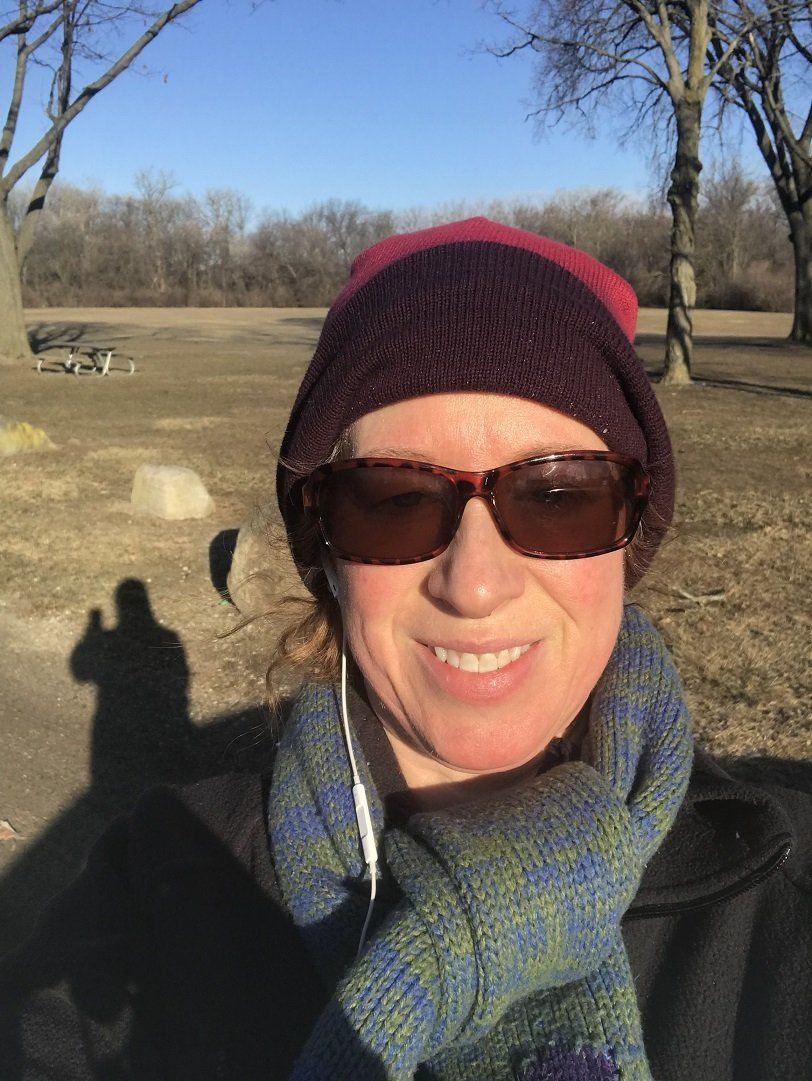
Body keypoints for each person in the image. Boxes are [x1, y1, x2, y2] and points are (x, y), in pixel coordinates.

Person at [0, 217, 809, 1081]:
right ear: (323, 548)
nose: (475, 584)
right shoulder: (159, 892)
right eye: (394, 499)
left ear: (630, 531)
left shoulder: (783, 894)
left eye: (558, 496)